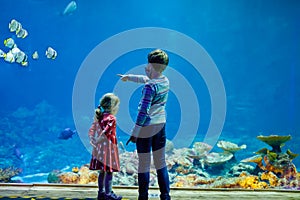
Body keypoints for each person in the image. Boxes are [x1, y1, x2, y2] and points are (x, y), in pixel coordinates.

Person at [118, 49, 171, 200]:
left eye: (148, 63)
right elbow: (146, 79)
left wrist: (135, 133)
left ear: (152, 65)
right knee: (161, 162)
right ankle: (166, 196)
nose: (146, 66)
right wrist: (129, 78)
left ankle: (143, 197)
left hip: (146, 128)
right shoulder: (165, 81)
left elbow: (143, 112)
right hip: (160, 125)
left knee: (144, 163)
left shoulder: (149, 87)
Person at [88, 93, 122, 200]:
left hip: (99, 149)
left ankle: (101, 193)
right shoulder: (112, 118)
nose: (118, 108)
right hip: (108, 149)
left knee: (101, 172)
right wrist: (98, 139)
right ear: (113, 107)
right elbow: (106, 132)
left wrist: (93, 140)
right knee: (109, 172)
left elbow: (92, 129)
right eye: (117, 106)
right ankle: (108, 194)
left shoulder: (100, 116)